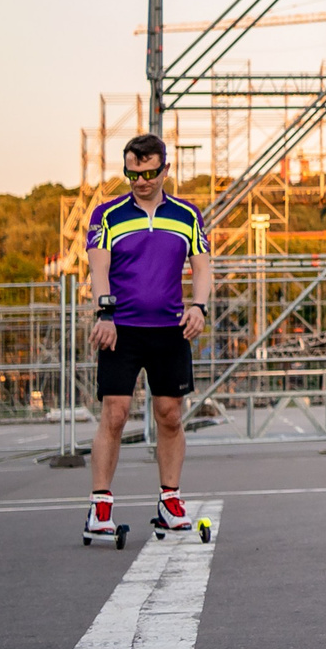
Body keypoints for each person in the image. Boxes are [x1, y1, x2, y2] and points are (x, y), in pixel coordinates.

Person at [83, 133, 212, 544]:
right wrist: (104, 313)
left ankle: (170, 501)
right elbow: (98, 270)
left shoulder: (187, 215)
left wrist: (199, 306)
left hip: (170, 329)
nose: (141, 181)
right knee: (115, 413)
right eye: (133, 174)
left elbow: (202, 267)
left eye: (150, 173)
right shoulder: (106, 215)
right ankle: (100, 507)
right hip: (121, 329)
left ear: (165, 170)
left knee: (170, 415)